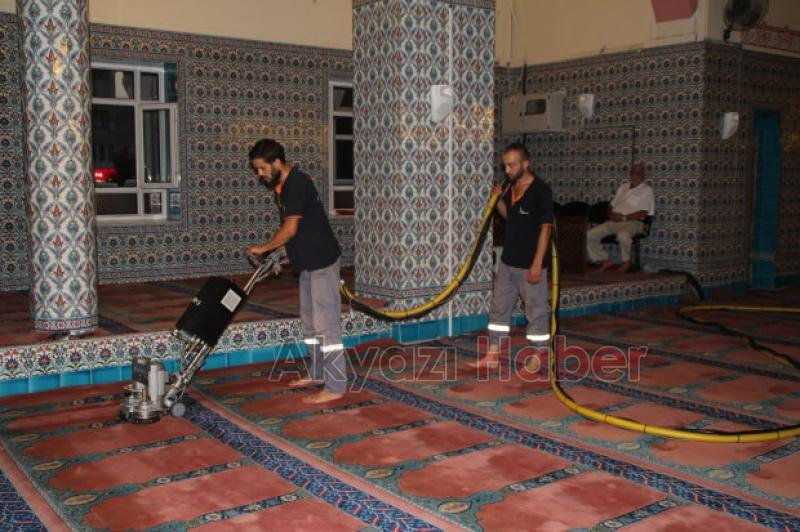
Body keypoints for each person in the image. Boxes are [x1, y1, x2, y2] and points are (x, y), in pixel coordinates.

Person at [245, 138, 346, 404]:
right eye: (256, 170)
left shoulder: (297, 184)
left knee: (327, 324)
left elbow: (289, 230)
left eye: (262, 168)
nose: (260, 174)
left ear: (277, 162)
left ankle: (335, 386)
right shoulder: (282, 187)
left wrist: (264, 248)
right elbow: (296, 233)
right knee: (310, 323)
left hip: (322, 263)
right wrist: (279, 254)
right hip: (307, 264)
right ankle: (317, 373)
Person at [470, 142, 554, 369]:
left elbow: (546, 228)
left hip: (530, 264)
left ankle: (539, 355)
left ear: (526, 164)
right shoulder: (510, 187)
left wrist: (537, 264)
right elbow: (510, 217)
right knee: (498, 307)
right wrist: (497, 200)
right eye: (505, 165)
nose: (507, 170)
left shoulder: (541, 191)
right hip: (508, 262)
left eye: (511, 165)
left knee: (535, 310)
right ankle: (493, 354)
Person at [586, 163, 655, 273]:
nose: (635, 175)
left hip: (634, 223)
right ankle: (604, 260)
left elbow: (643, 212)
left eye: (638, 172)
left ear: (643, 175)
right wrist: (610, 214)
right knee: (588, 235)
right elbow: (611, 205)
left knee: (623, 234)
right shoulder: (623, 187)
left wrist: (623, 218)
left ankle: (627, 262)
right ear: (630, 174)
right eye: (633, 172)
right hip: (614, 221)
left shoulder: (647, 190)